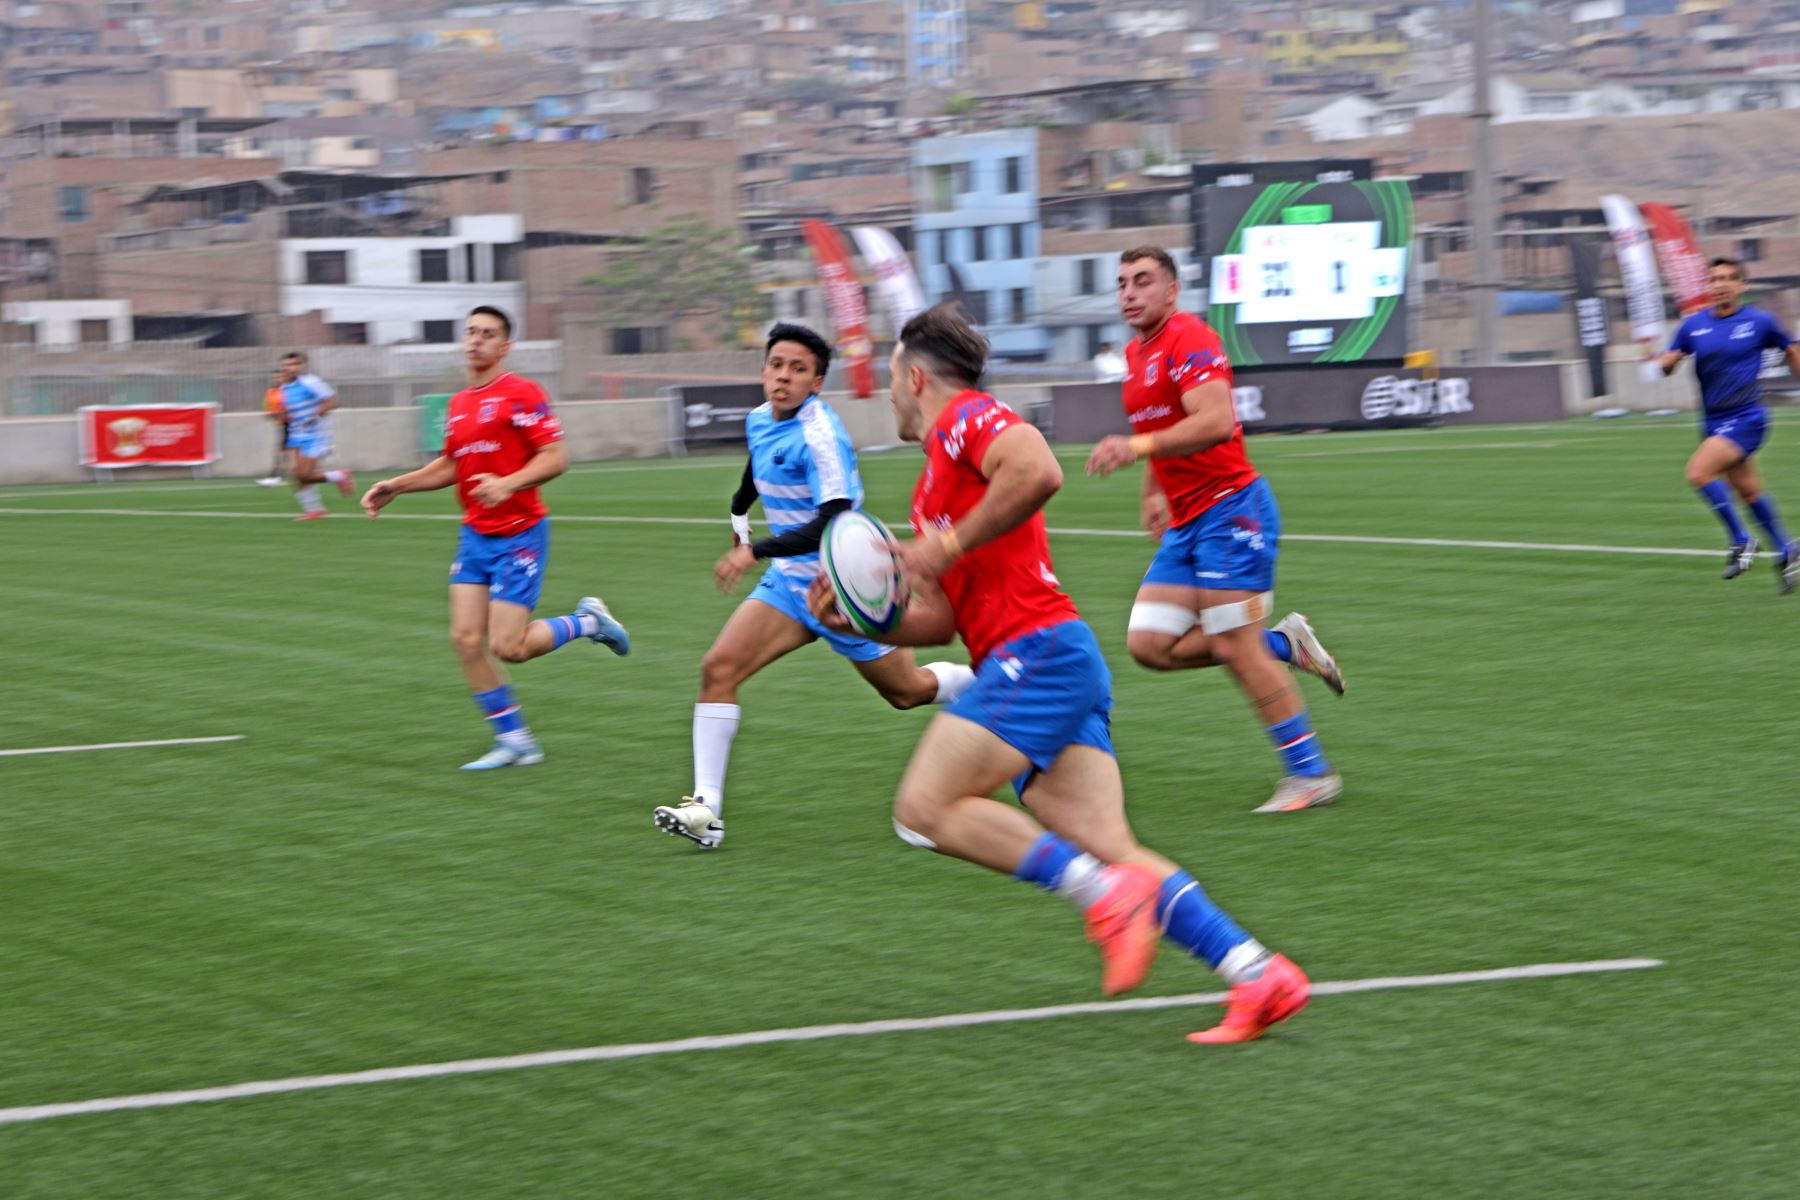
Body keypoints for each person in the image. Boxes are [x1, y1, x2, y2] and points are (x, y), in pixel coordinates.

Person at [807, 303, 1310, 1044]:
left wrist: (942, 549)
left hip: (1034, 654)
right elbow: (945, 618)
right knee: (1115, 845)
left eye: (889, 380)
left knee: (924, 809)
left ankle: (1107, 897)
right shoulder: (933, 482)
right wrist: (863, 619)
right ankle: (1257, 973)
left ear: (916, 378)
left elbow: (1039, 468)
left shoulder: (967, 420)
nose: (886, 396)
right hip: (1049, 656)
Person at [653, 323, 976, 850]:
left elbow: (830, 521)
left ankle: (984, 682)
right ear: (763, 371)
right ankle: (706, 811)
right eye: (776, 364)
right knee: (718, 668)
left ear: (817, 382)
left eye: (798, 369)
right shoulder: (760, 419)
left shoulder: (821, 435)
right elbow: (757, 467)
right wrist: (739, 511)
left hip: (844, 587)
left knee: (906, 691)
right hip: (788, 586)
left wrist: (751, 551)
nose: (783, 376)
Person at [1087, 246, 1345, 814]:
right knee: (1149, 646)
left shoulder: (1190, 338)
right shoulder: (1137, 352)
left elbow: (1215, 420)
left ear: (1172, 291)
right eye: (1122, 282)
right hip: (1187, 522)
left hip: (1233, 512)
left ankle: (1311, 773)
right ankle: (1283, 643)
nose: (1129, 292)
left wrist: (1134, 449)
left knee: (1232, 645)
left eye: (1143, 281)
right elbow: (1159, 421)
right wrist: (1153, 488)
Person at [359, 306, 631, 769]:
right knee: (466, 640)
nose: (476, 340)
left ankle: (589, 622)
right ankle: (515, 741)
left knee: (510, 647)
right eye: (470, 332)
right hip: (475, 535)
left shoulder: (522, 394)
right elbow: (452, 464)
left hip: (520, 533)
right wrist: (397, 485)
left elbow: (556, 457)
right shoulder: (458, 403)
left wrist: (508, 483)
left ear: (504, 347)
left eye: (487, 334)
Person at [1658, 257, 1800, 592]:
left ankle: (1741, 538)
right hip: (1712, 419)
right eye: (1714, 279)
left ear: (1741, 286)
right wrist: (1668, 361)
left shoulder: (1759, 321)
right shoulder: (1693, 325)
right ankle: (1787, 548)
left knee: (1698, 473)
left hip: (1747, 417)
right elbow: (1668, 362)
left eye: (1727, 279)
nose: (1719, 284)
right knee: (1749, 492)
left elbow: (1790, 346)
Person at [278, 351, 355, 520]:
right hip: (296, 434)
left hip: (315, 434)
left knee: (304, 475)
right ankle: (314, 510)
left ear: (303, 366)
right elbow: (290, 411)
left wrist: (314, 416)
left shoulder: (311, 382)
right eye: (287, 365)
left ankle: (338, 476)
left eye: (295, 364)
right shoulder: (285, 388)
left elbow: (332, 401)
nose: (291, 368)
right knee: (297, 474)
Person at [257, 369, 290, 487]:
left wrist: (280, 414)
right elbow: (268, 410)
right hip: (280, 424)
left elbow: (288, 409)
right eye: (275, 377)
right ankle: (277, 476)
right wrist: (271, 415)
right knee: (281, 450)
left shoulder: (288, 391)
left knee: (282, 450)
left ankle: (276, 476)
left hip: (291, 423)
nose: (277, 379)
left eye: (280, 377)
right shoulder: (270, 392)